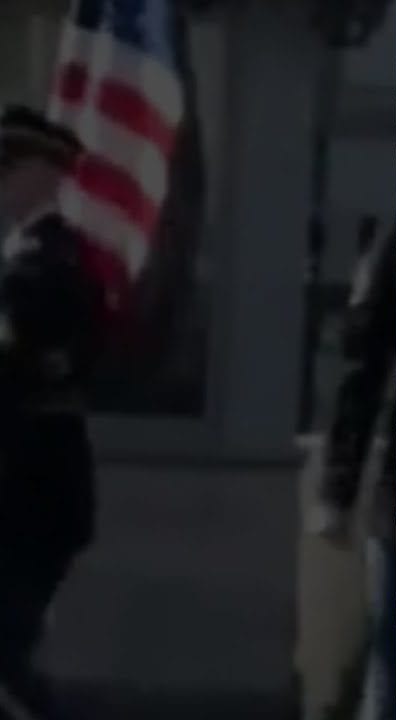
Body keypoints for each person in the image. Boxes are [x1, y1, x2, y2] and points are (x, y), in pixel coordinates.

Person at [0, 104, 105, 717]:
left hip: (31, 482)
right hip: (26, 479)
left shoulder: (51, 263)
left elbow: (31, 369)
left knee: (7, 646)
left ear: (43, 175)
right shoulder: (26, 257)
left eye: (11, 167)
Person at [311, 224, 396, 719]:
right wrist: (337, 489)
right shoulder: (389, 252)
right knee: (386, 646)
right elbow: (359, 373)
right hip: (389, 485)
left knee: (386, 648)